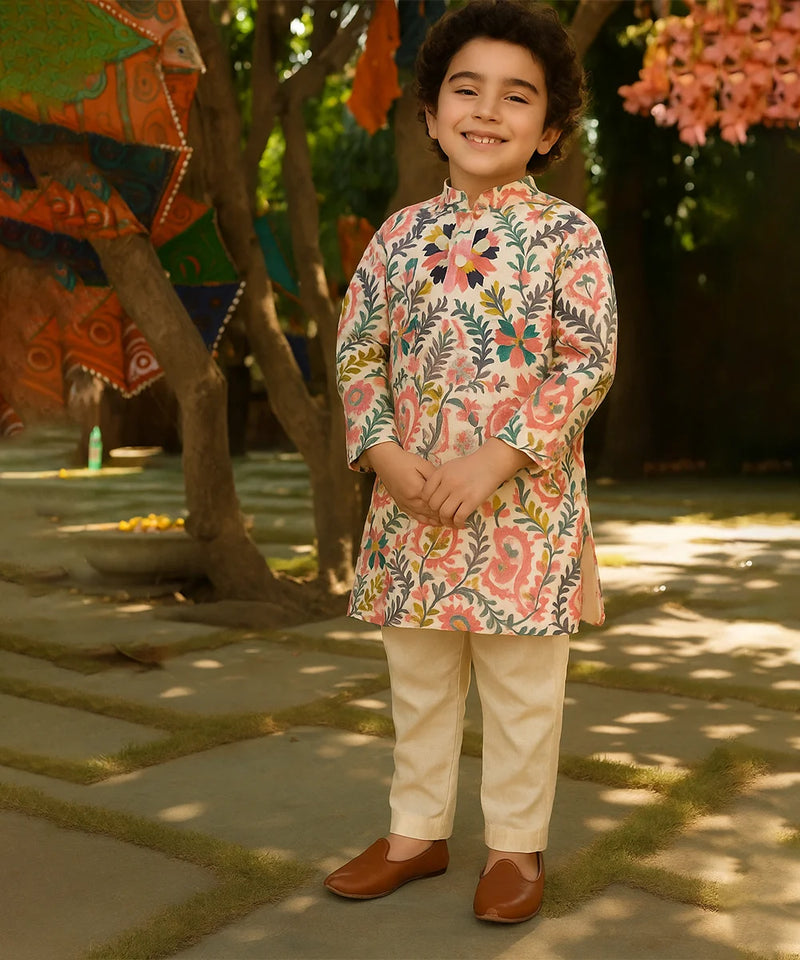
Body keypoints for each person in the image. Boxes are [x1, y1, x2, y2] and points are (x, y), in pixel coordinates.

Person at [327, 0, 617, 924]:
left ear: (552, 129)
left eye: (517, 96)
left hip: (522, 515)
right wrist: (379, 450)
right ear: (429, 114)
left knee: (522, 690)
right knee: (417, 680)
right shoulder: (396, 239)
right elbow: (354, 351)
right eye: (467, 89)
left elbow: (589, 360)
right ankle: (415, 833)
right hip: (410, 511)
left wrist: (497, 459)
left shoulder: (569, 238)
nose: (488, 110)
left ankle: (515, 849)